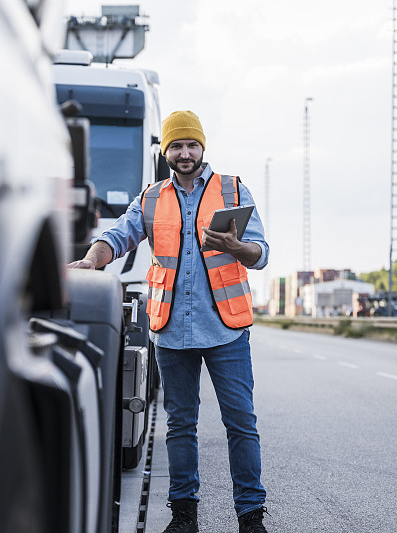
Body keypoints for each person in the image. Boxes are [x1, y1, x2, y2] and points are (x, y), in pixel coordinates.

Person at [69, 110, 270, 533]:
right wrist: (91, 261)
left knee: (241, 422)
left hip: (226, 329)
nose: (184, 153)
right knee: (181, 425)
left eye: (191, 145)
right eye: (176, 145)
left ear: (202, 147)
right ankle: (184, 517)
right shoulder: (152, 197)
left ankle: (251, 518)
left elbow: (261, 254)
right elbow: (118, 237)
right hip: (171, 330)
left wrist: (236, 246)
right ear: (166, 151)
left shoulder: (233, 189)